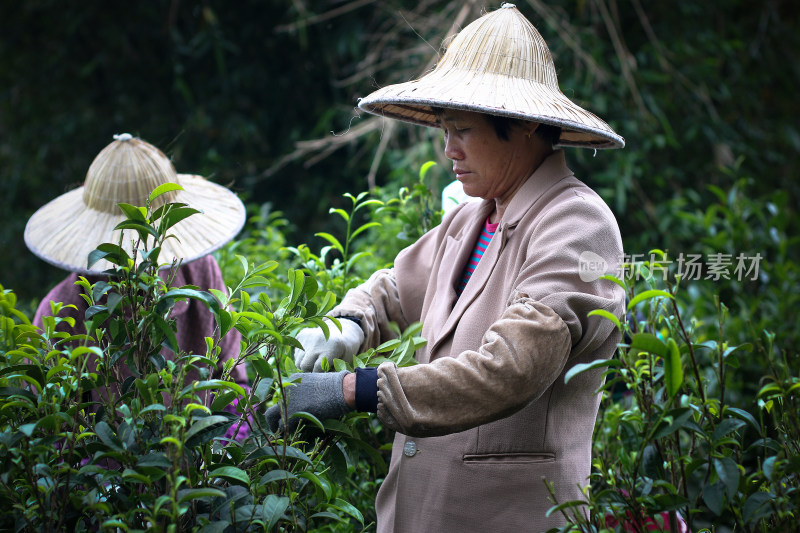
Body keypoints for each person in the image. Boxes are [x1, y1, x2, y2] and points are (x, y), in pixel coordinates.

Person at [267, 4, 625, 531]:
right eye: (444, 128)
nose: (448, 149)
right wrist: (348, 323)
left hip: (509, 516)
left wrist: (356, 389)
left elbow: (516, 366)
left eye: (462, 130)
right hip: (420, 511)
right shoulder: (472, 218)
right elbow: (396, 288)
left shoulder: (576, 223)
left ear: (525, 124)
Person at [26, 134, 249, 437]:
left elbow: (234, 384)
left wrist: (225, 448)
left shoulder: (200, 275)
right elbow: (49, 436)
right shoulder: (63, 310)